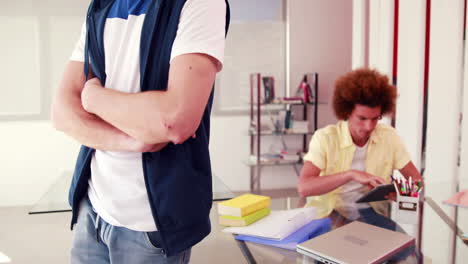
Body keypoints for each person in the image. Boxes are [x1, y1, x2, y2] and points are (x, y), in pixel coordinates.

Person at [51, 0, 230, 263]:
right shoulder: (101, 6)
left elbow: (173, 120)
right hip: (92, 208)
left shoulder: (200, 3)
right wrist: (131, 140)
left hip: (151, 224)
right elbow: (62, 113)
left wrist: (93, 98)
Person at [298, 68, 423, 263]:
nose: (369, 127)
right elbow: (304, 188)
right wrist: (350, 174)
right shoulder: (325, 138)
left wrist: (401, 193)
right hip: (329, 214)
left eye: (375, 118)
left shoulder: (388, 137)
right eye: (362, 118)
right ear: (346, 112)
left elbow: (416, 180)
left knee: (410, 254)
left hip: (367, 211)